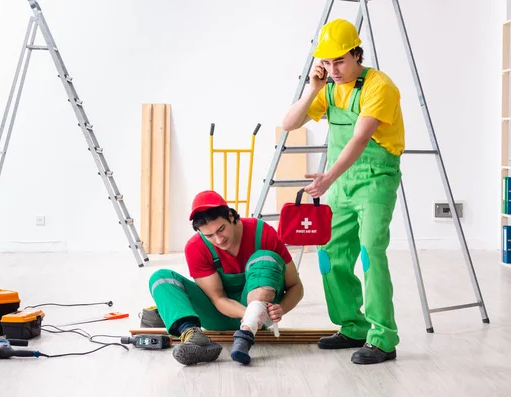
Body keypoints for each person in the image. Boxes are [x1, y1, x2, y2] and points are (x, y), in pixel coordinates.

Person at [281, 18, 404, 364]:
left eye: (340, 61)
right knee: (330, 255)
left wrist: (328, 177)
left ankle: (383, 338)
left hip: (375, 178)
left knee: (370, 251)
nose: (334, 69)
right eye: (328, 62)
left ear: (356, 53)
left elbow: (360, 137)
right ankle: (353, 326)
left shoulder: (379, 86)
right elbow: (289, 123)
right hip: (339, 182)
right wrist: (313, 89)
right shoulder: (330, 88)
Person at [148, 190, 304, 366]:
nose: (218, 239)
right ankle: (193, 335)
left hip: (260, 312)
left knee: (266, 257)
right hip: (219, 315)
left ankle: (246, 334)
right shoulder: (196, 247)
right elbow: (218, 298)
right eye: (209, 235)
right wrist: (250, 315)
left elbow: (296, 286)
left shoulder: (262, 233)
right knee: (160, 278)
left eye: (221, 229)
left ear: (230, 215)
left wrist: (280, 309)